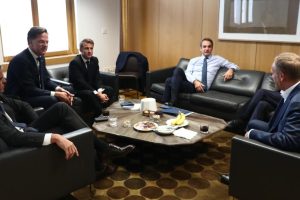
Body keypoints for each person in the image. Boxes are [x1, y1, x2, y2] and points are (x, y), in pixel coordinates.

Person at [0, 66, 134, 176]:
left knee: (63, 110)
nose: (5, 81)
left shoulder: (1, 97)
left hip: (27, 129)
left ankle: (100, 156)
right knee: (68, 121)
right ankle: (102, 153)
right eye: (1, 78)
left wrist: (39, 123)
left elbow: (23, 105)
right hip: (20, 143)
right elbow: (14, 137)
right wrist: (54, 137)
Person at [5, 26, 77, 110]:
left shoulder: (40, 57)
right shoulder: (20, 61)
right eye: (41, 42)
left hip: (36, 92)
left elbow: (46, 79)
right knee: (52, 99)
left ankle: (68, 120)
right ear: (30, 42)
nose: (45, 45)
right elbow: (29, 89)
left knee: (69, 90)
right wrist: (55, 94)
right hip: (21, 97)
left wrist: (58, 89)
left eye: (47, 42)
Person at [245, 52, 300, 152]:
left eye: (272, 73)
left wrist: (252, 134)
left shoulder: (297, 102)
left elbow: (290, 140)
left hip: (284, 147)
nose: (272, 77)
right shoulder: (291, 90)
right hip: (277, 129)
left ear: (281, 77)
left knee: (251, 132)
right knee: (252, 124)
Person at [162, 38, 239, 105]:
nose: (207, 49)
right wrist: (195, 81)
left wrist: (231, 70)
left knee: (169, 81)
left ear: (212, 48)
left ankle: (168, 103)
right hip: (191, 84)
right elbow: (187, 73)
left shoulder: (218, 59)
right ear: (200, 49)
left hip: (202, 87)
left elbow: (235, 65)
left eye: (209, 46)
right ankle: (172, 102)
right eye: (204, 46)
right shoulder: (194, 60)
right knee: (177, 71)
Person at [69, 38, 114, 121]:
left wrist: (99, 90)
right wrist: (97, 93)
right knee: (90, 94)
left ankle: (107, 111)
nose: (89, 51)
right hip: (79, 90)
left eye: (91, 48)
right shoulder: (75, 62)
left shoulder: (94, 60)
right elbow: (82, 83)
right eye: (86, 48)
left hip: (91, 88)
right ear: (81, 50)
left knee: (109, 89)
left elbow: (97, 78)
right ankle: (99, 116)